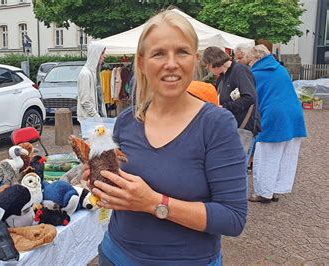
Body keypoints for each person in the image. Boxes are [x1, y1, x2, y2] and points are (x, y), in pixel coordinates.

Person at [83, 10, 247, 265]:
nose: (171, 63)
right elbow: (123, 188)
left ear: (194, 60)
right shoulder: (127, 121)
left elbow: (233, 218)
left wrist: (153, 203)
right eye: (159, 53)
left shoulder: (216, 125)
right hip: (116, 256)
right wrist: (103, 185)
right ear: (141, 63)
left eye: (181, 52)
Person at [247, 45, 307, 203]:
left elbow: (251, 98)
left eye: (250, 59)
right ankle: (276, 190)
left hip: (275, 116)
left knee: (266, 154)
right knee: (286, 155)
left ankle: (264, 193)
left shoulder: (256, 73)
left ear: (257, 58)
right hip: (294, 114)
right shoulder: (281, 69)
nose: (249, 63)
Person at [202, 46, 261, 146]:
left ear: (213, 62)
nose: (208, 70)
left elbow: (249, 97)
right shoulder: (222, 77)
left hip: (243, 129)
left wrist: (224, 107)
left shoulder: (239, 70)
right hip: (231, 129)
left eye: (207, 67)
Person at [77, 43, 107, 122]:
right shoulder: (85, 74)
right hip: (89, 120)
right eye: (102, 53)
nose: (104, 56)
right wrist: (96, 117)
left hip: (93, 119)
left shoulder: (94, 73)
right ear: (96, 54)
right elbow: (85, 100)